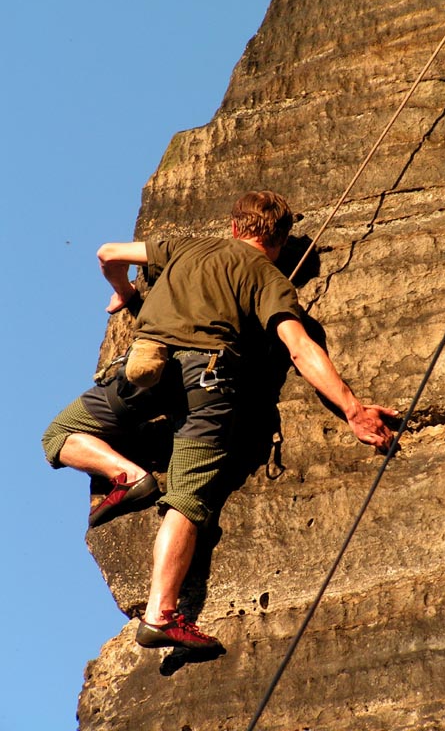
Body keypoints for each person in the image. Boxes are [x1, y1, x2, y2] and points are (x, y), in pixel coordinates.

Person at [42, 190, 396, 652]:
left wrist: (126, 293)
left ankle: (125, 476)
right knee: (186, 500)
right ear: (280, 240)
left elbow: (108, 253)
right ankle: (160, 615)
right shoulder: (268, 277)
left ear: (234, 227)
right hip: (207, 383)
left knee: (59, 434)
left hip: (146, 367)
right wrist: (353, 409)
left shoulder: (187, 247)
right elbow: (300, 348)